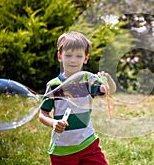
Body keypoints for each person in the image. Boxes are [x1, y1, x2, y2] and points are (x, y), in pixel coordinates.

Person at [39, 31, 116, 165]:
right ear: (59, 56)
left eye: (78, 56)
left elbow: (110, 90)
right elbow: (42, 114)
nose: (73, 60)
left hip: (88, 143)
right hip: (63, 148)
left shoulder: (89, 81)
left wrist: (107, 80)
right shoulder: (54, 86)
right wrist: (53, 123)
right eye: (68, 55)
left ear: (85, 58)